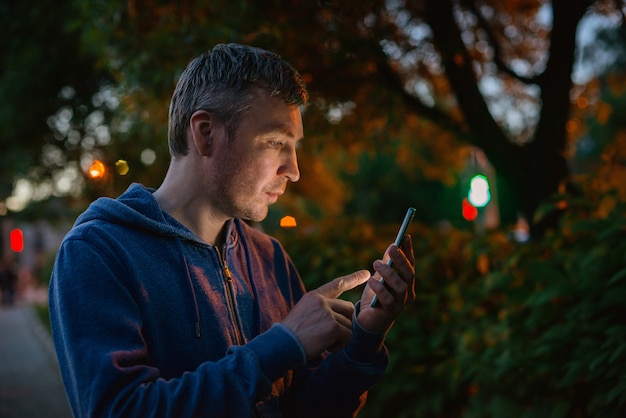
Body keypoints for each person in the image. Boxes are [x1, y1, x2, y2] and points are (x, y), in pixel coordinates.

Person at [49, 43, 416, 418]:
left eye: (294, 147)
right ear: (206, 132)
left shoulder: (269, 257)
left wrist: (364, 340)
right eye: (275, 143)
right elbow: (119, 410)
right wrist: (281, 346)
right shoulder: (99, 251)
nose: (294, 170)